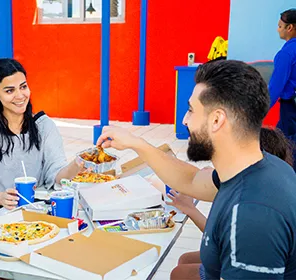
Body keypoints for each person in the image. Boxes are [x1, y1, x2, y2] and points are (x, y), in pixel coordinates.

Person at [97, 60, 296, 279]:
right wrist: (136, 143)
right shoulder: (263, 166)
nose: (184, 120)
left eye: (191, 110)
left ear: (217, 120)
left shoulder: (251, 216)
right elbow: (191, 180)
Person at [0, 58, 84, 224]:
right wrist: (1, 198)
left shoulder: (43, 125)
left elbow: (57, 175)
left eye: (23, 87)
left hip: (37, 211)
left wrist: (78, 163)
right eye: (9, 91)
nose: (20, 96)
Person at [168, 127, 295, 280]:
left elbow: (236, 240)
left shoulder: (252, 204)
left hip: (259, 259)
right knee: (185, 259)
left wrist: (191, 209)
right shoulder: (278, 177)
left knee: (179, 273)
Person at [269, 9, 296, 169]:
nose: (277, 29)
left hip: (290, 108)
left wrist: (259, 110)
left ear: (290, 28)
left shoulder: (286, 54)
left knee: (287, 144)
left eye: (280, 26)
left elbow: (275, 87)